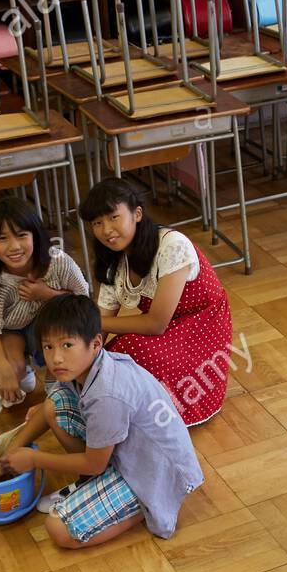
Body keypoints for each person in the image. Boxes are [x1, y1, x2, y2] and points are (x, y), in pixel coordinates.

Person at [0, 295, 203, 549]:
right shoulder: (83, 368)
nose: (56, 358)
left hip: (155, 471)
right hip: (126, 450)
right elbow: (50, 410)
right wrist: (11, 453)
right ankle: (96, 487)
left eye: (67, 345)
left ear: (96, 343)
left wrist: (33, 459)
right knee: (53, 405)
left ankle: (149, 502)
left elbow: (94, 463)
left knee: (59, 530)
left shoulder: (107, 394)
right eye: (48, 347)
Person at [78, 178, 232, 427]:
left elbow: (156, 324)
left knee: (131, 350)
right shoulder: (113, 260)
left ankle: (140, 417)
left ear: (137, 213)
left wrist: (92, 324)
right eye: (97, 223)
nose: (106, 230)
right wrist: (80, 355)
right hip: (169, 327)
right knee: (104, 357)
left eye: (114, 217)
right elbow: (101, 325)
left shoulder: (172, 245)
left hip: (203, 327)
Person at [0, 196, 90, 408]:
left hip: (51, 326)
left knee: (66, 353)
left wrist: (47, 294)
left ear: (35, 235)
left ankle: (55, 375)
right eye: (2, 238)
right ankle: (22, 365)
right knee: (5, 376)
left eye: (21, 235)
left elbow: (83, 301)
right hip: (10, 331)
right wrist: (5, 369)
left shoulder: (58, 261)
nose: (14, 247)